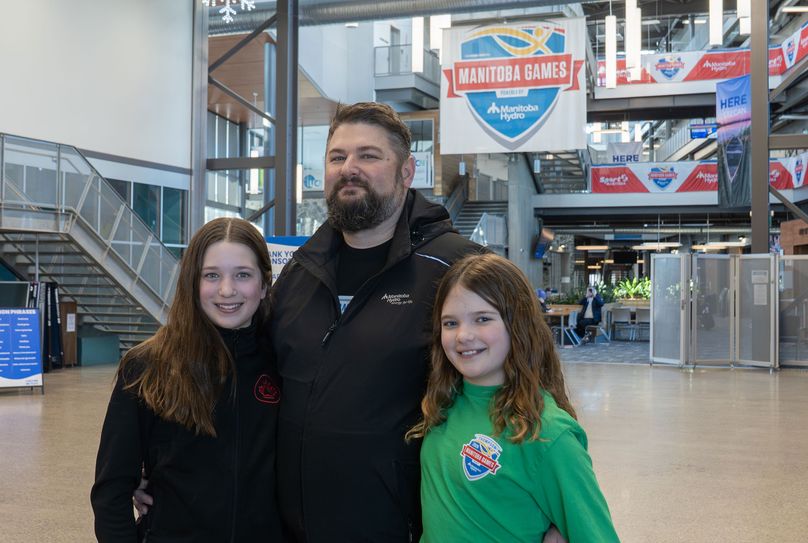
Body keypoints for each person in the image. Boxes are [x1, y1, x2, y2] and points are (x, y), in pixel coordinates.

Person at [269, 102, 482, 542]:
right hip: (294, 526)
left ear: (407, 172)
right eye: (337, 157)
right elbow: (254, 379)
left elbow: (522, 383)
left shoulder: (456, 267)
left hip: (399, 526)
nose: (349, 168)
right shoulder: (299, 270)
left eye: (369, 155)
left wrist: (546, 503)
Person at [91, 217, 282, 542]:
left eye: (243, 275)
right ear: (192, 283)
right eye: (211, 275)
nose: (227, 289)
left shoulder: (285, 362)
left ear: (263, 285)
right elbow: (111, 491)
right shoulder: (147, 367)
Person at [408, 254, 619, 542]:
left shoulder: (547, 434)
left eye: (482, 319)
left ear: (517, 325)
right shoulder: (444, 403)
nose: (463, 335)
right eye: (450, 323)